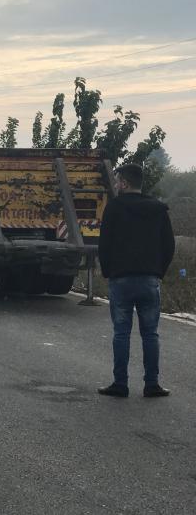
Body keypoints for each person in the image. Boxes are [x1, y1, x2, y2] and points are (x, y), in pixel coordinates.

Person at [97, 163, 175, 398]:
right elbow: (168, 245)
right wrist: (157, 271)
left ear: (126, 183)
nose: (117, 183)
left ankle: (120, 384)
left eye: (119, 180)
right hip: (149, 279)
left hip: (121, 279)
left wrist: (108, 271)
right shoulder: (159, 210)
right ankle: (152, 384)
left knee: (121, 332)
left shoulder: (114, 208)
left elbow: (105, 244)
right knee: (150, 334)